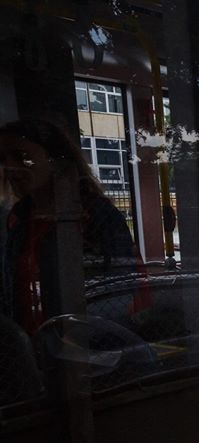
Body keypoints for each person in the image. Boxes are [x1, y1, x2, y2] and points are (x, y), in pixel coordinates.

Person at [0, 118, 136, 332]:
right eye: (2, 159)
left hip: (88, 336)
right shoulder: (19, 217)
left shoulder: (93, 214)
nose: (11, 168)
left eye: (22, 157)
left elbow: (120, 286)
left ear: (55, 161)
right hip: (34, 338)